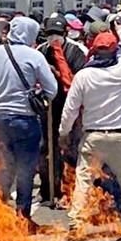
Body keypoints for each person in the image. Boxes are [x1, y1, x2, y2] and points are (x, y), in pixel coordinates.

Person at [0, 16, 58, 219]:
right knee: (25, 170)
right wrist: (37, 93)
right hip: (25, 121)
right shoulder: (34, 56)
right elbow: (52, 89)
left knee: (2, 167)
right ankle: (22, 216)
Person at [60, 26, 121, 228]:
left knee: (84, 180)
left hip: (92, 137)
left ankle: (77, 221)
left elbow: (70, 110)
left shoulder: (83, 76)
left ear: (93, 51)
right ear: (115, 52)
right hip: (118, 136)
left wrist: (64, 133)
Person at [38, 14, 88, 205]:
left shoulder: (76, 51)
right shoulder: (41, 51)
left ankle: (69, 190)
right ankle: (48, 190)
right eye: (50, 34)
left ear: (65, 33)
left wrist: (57, 73)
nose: (54, 38)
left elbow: (78, 80)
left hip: (71, 108)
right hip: (48, 108)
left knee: (70, 149)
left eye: (57, 34)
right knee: (46, 149)